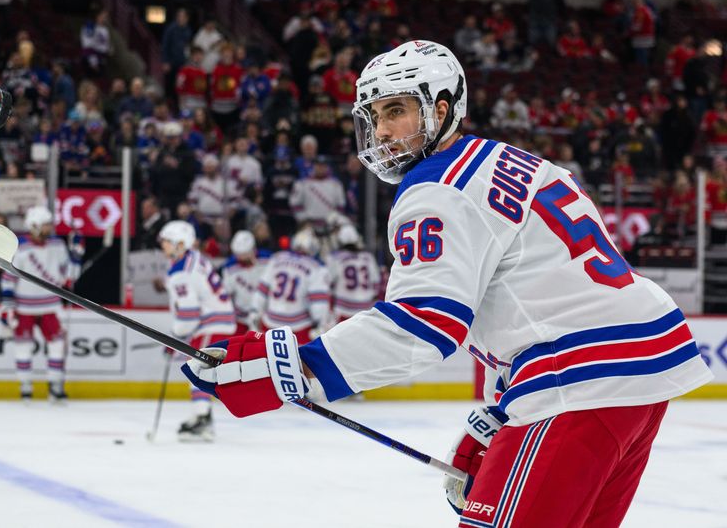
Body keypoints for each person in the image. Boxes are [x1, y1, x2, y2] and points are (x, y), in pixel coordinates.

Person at [180, 40, 713, 527]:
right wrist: (496, 417)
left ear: (440, 109)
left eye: (395, 110)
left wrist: (290, 369)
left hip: (576, 382)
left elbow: (423, 326)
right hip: (639, 373)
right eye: (374, 117)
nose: (382, 131)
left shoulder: (437, 188)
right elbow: (535, 295)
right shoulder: (521, 162)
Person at [157, 220, 236, 441]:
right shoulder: (195, 259)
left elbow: (189, 315)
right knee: (199, 369)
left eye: (167, 242)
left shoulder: (180, 272)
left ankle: (202, 419)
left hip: (211, 323)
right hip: (217, 320)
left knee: (198, 369)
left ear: (181, 244)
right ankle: (202, 416)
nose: (163, 245)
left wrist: (175, 335)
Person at [0, 206, 83, 401]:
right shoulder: (19, 249)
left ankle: (55, 386)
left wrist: (76, 256)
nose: (49, 228)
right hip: (24, 307)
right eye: (45, 225)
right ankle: (26, 387)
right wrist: (8, 307)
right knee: (23, 347)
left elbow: (69, 277)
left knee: (57, 345)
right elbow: (7, 280)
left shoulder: (58, 245)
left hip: (51, 306)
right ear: (34, 226)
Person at [251, 227, 331, 344]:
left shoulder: (276, 258)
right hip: (298, 330)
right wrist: (319, 325)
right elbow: (319, 306)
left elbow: (262, 290)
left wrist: (255, 313)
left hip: (270, 324)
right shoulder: (317, 268)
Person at [326, 225, 381, 323]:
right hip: (365, 309)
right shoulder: (368, 257)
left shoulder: (334, 258)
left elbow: (329, 284)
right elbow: (376, 285)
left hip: (343, 309)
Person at [221, 230, 271, 335]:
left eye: (245, 254)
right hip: (241, 318)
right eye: (239, 254)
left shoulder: (268, 259)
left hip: (264, 315)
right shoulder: (230, 268)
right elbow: (226, 294)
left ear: (253, 249)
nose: (242, 257)